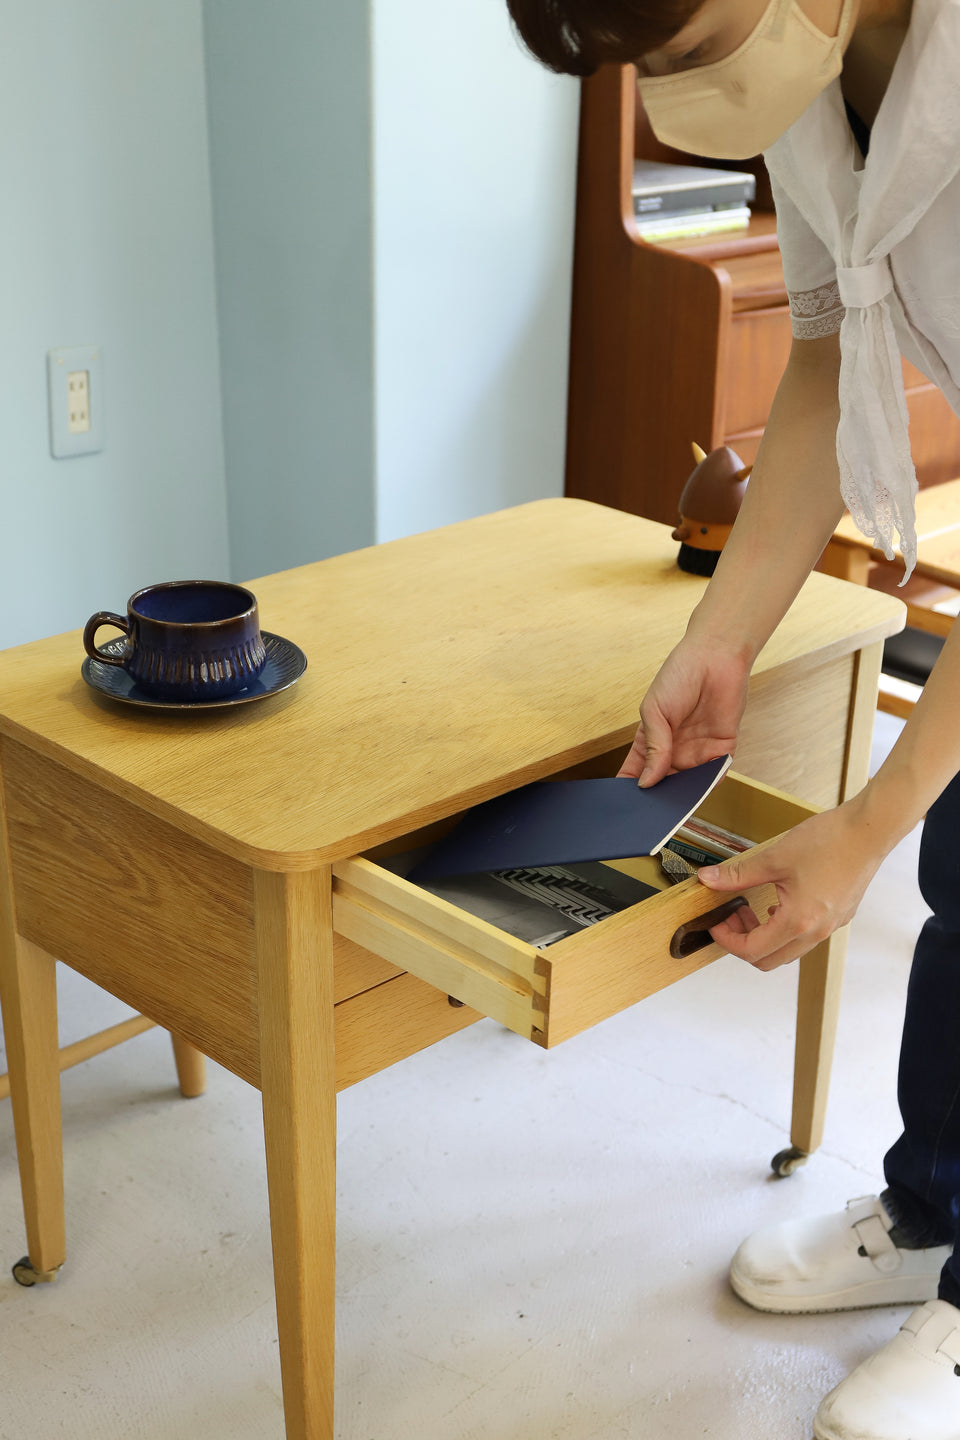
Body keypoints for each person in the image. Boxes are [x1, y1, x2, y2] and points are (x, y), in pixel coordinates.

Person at [505, 0, 960, 1436]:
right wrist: (720, 637)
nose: (678, 82)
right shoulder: (814, 77)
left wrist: (866, 826)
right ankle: (936, 1211)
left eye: (690, 37)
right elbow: (823, 362)